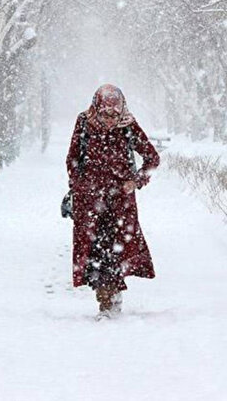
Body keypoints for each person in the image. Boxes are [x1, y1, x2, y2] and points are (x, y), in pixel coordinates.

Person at [66, 84, 161, 319]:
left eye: (114, 114)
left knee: (114, 250)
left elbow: (152, 158)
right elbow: (72, 158)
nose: (110, 120)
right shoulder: (84, 123)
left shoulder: (128, 126)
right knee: (94, 252)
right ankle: (105, 298)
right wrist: (79, 185)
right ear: (96, 108)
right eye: (105, 114)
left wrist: (135, 181)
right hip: (90, 202)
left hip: (120, 203)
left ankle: (110, 300)